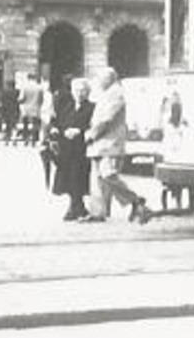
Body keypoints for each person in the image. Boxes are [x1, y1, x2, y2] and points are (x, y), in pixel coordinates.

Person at [85, 67, 152, 224]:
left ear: (109, 79)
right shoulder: (108, 93)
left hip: (110, 143)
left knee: (108, 175)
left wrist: (91, 134)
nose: (98, 82)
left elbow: (106, 119)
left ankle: (136, 200)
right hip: (102, 144)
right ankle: (98, 212)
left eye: (100, 79)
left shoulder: (115, 94)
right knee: (98, 179)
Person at [50, 78, 93, 220]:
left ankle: (75, 208)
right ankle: (78, 207)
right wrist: (57, 130)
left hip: (81, 149)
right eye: (77, 91)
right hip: (66, 148)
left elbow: (93, 126)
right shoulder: (67, 106)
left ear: (88, 92)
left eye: (83, 91)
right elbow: (57, 121)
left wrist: (79, 131)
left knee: (77, 178)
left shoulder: (92, 107)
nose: (79, 94)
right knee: (67, 179)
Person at [18, 73, 44, 146]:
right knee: (35, 124)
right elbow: (41, 99)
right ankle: (34, 140)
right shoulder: (39, 87)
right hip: (36, 107)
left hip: (26, 108)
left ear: (28, 78)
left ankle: (26, 139)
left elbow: (21, 98)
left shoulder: (25, 87)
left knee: (25, 124)